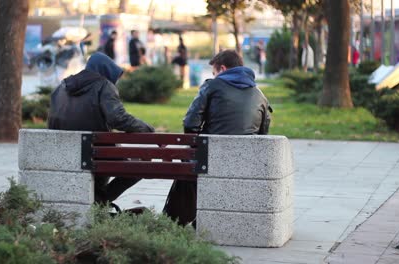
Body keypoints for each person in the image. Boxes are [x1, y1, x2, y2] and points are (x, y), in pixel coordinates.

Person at [163, 50, 272, 226]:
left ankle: (175, 221)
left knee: (189, 166)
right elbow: (263, 133)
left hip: (210, 158)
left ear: (222, 68)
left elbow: (191, 123)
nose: (214, 76)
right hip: (245, 163)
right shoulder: (259, 95)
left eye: (214, 73)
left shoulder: (212, 86)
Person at [48, 52, 155, 205]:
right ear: (105, 72)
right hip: (96, 153)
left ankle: (96, 200)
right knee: (141, 166)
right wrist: (147, 128)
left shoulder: (61, 87)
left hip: (63, 152)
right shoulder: (104, 85)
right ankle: (100, 201)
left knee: (102, 158)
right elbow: (118, 118)